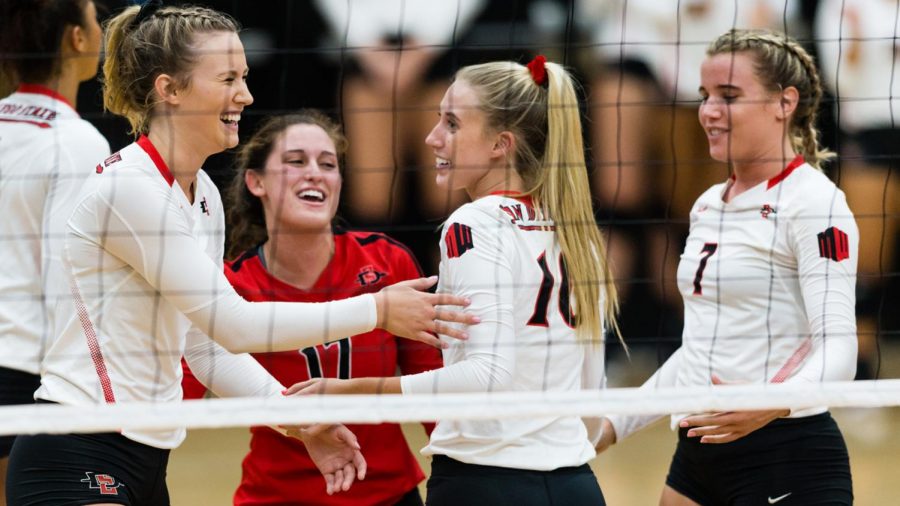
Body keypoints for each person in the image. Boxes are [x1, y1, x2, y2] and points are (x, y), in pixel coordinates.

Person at [6, 4, 476, 506]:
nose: (246, 95)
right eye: (228, 78)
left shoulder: (202, 194)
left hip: (145, 461)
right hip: (76, 452)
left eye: (245, 77)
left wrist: (298, 422)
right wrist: (377, 310)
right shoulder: (129, 189)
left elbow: (208, 349)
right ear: (170, 90)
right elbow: (236, 324)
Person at [288, 56, 620, 506]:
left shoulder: (475, 223)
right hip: (575, 484)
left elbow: (487, 374)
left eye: (452, 124)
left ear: (500, 144)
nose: (432, 138)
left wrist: (349, 391)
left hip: (486, 482)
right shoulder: (576, 230)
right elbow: (591, 399)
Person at [594, 29, 858, 506]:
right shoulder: (708, 206)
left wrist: (768, 403)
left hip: (786, 453)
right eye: (705, 96)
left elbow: (839, 348)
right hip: (698, 456)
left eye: (729, 97)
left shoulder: (815, 203)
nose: (709, 111)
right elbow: (697, 355)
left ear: (784, 102)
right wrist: (610, 425)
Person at [181, 111, 443, 506]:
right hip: (277, 496)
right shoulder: (233, 285)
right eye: (296, 161)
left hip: (388, 493)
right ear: (256, 182)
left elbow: (434, 392)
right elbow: (180, 393)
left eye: (328, 164)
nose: (315, 174)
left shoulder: (388, 263)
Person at [0, 1, 107, 504]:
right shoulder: (77, 142)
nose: (100, 24)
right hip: (23, 375)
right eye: (92, 15)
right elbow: (70, 282)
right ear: (77, 39)